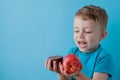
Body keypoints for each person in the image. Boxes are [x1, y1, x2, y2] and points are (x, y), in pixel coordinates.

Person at [45, 5, 114, 80]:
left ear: (102, 35)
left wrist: (78, 74)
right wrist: (60, 72)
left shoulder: (104, 58)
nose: (80, 36)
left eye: (87, 32)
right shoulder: (73, 52)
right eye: (76, 31)